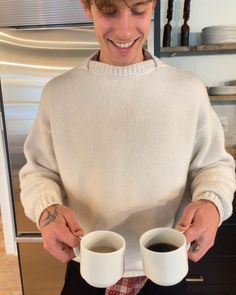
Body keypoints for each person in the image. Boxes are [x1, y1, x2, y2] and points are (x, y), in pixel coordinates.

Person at [19, 0, 236, 294]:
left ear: (154, 7)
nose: (124, 29)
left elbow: (213, 165)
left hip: (165, 269)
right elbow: (38, 171)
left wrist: (211, 203)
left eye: (138, 10)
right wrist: (47, 211)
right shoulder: (58, 94)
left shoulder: (188, 90)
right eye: (109, 10)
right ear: (87, 6)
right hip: (87, 269)